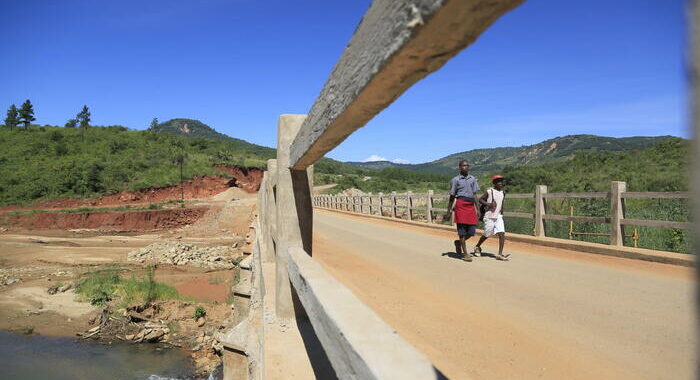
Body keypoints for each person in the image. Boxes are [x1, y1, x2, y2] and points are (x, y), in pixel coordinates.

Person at [443, 160, 480, 262]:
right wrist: (448, 211)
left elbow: (475, 195)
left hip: (470, 206)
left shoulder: (473, 179)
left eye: (467, 165)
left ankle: (458, 243)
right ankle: (465, 254)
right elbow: (452, 196)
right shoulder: (455, 180)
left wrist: (478, 209)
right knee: (462, 231)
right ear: (459, 167)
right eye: (463, 166)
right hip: (460, 205)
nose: (466, 167)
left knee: (472, 231)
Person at [473, 175, 509, 261]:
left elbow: (501, 204)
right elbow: (480, 200)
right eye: (498, 181)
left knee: (502, 233)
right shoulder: (490, 191)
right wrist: (489, 204)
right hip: (489, 216)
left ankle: (500, 254)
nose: (500, 183)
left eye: (501, 181)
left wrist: (501, 213)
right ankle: (477, 246)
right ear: (494, 183)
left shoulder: (503, 193)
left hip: (498, 216)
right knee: (487, 233)